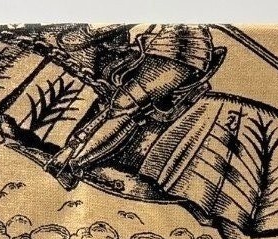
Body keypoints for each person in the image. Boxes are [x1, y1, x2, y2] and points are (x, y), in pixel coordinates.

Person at [47, 24, 216, 189]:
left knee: (125, 106)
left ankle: (73, 162)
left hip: (178, 53)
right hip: (166, 48)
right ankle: (71, 159)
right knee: (126, 108)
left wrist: (92, 32)